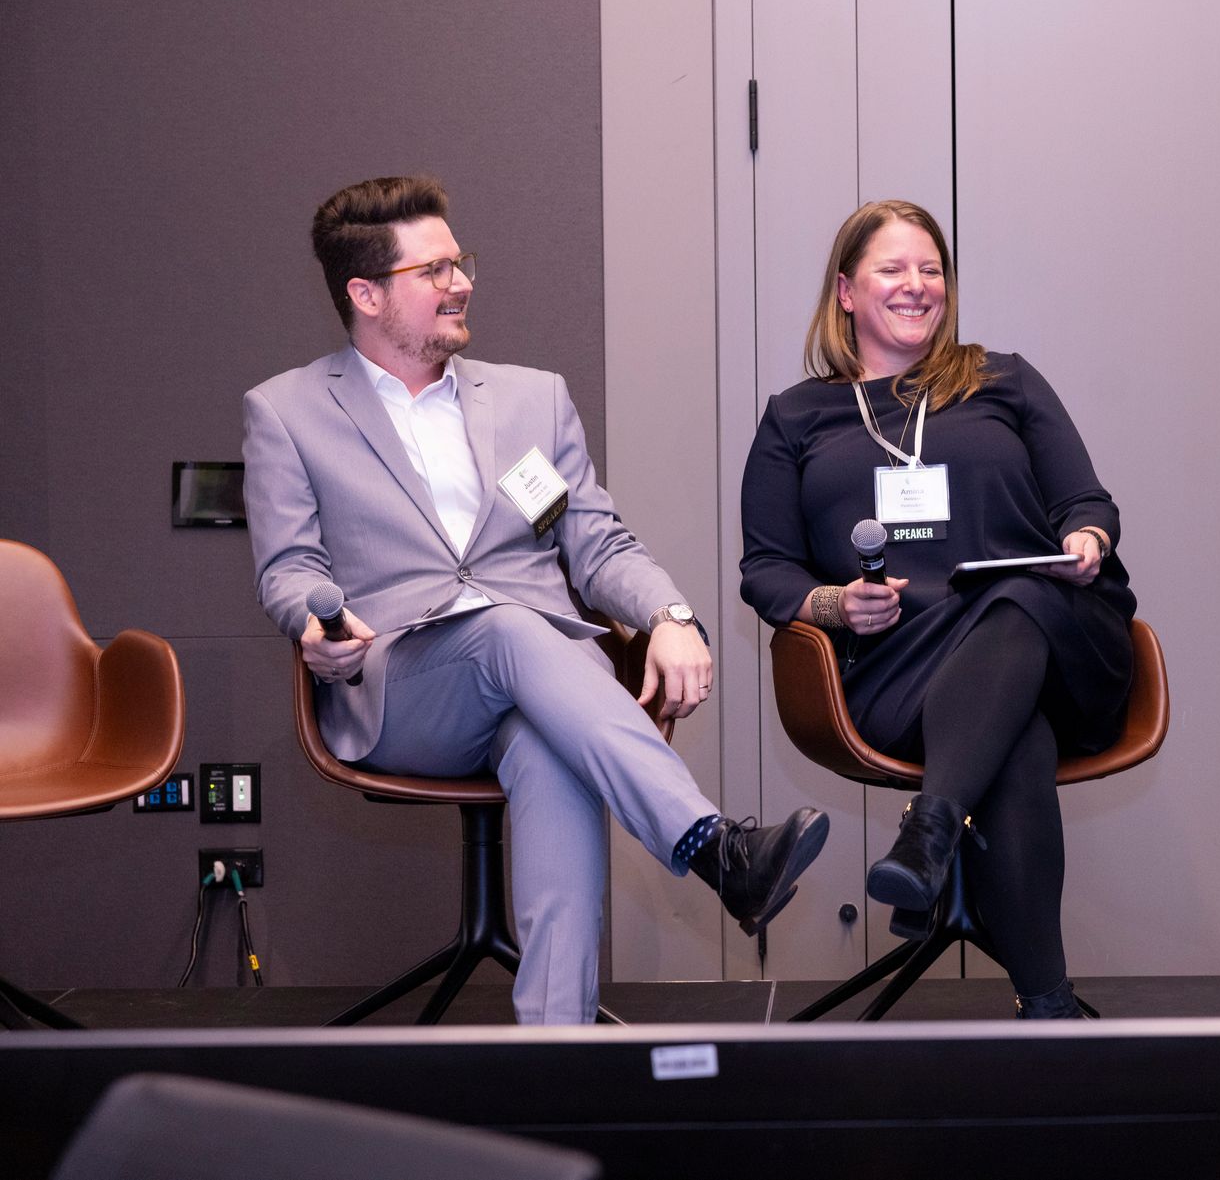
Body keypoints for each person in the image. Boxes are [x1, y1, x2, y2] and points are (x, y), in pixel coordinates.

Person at [244, 175, 827, 1025]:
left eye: (462, 261)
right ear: (365, 294)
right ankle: (711, 845)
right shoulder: (290, 411)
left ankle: (555, 1051)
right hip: (404, 682)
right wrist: (312, 622)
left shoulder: (527, 400)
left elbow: (591, 539)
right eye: (434, 270)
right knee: (511, 629)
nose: (462, 282)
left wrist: (668, 615)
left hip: (542, 679)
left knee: (551, 746)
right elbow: (288, 566)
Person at [739, 200, 1135, 1019]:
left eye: (932, 270)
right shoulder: (796, 418)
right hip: (898, 668)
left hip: (1054, 640)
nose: (918, 286)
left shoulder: (1004, 379)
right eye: (894, 268)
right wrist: (836, 604)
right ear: (846, 290)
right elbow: (765, 568)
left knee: (1016, 591)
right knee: (1014, 737)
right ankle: (1048, 1004)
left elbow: (1086, 501)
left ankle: (932, 823)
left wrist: (1089, 537)